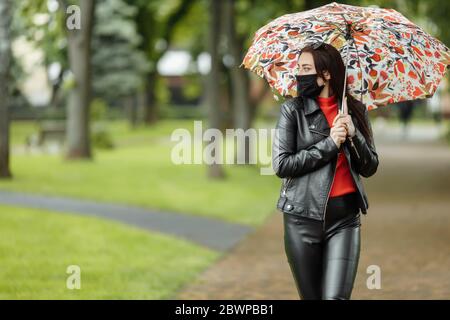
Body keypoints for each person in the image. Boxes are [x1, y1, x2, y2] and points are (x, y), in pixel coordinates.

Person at [272, 42, 379, 300]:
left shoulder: (356, 111)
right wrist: (330, 144)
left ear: (326, 74)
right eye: (299, 68)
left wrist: (354, 135)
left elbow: (370, 166)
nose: (300, 74)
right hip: (301, 220)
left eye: (306, 68)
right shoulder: (292, 111)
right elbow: (282, 164)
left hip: (345, 220)